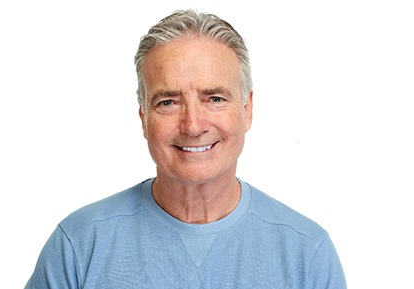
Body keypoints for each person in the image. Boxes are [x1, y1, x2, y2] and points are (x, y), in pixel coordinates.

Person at [25, 9, 347, 289]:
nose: (193, 125)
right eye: (168, 102)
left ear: (246, 110)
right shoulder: (79, 246)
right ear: (143, 117)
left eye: (215, 99)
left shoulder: (307, 253)